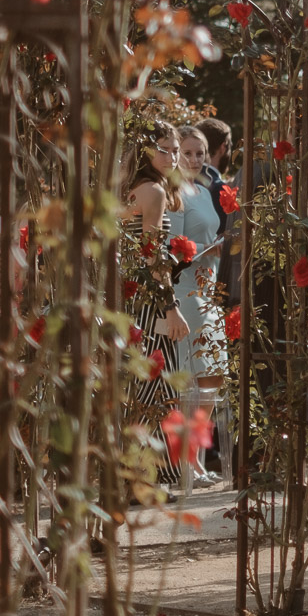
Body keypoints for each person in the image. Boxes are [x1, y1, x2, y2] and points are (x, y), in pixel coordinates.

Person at [124, 126, 193, 477]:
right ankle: (145, 474)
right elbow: (152, 256)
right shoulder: (152, 192)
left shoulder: (133, 188)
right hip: (148, 301)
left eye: (176, 150)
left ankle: (134, 472)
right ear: (146, 151)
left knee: (141, 384)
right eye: (164, 150)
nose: (173, 157)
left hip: (129, 296)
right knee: (156, 383)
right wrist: (171, 307)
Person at [169, 125, 224, 389]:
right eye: (187, 153)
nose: (194, 160)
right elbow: (172, 247)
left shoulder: (202, 192)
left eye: (200, 154)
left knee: (215, 375)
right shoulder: (174, 193)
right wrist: (208, 247)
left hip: (209, 289)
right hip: (187, 292)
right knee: (201, 375)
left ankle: (201, 431)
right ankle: (187, 430)